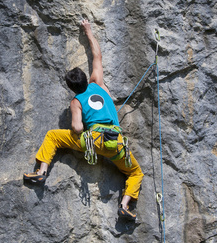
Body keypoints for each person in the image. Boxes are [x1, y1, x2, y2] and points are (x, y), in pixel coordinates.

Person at [23, 19, 144, 220]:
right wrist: (88, 30)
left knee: (53, 136)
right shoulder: (98, 83)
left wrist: (78, 120)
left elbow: (77, 128)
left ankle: (41, 171)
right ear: (86, 78)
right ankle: (125, 205)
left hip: (94, 141)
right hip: (117, 143)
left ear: (71, 88)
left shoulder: (76, 101)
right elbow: (97, 55)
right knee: (135, 173)